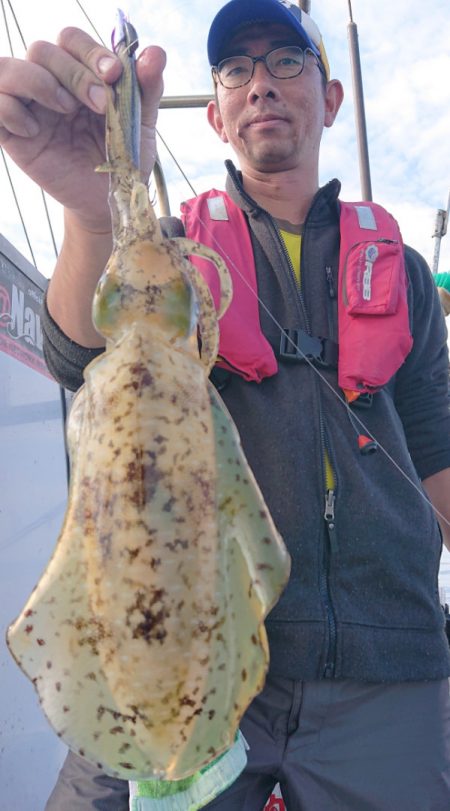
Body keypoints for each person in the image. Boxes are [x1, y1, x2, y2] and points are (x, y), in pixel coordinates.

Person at [1, 0, 450, 808]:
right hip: (201, 644)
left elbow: (437, 455)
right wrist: (91, 213)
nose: (261, 85)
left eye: (286, 60)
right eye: (237, 70)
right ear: (214, 113)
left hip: (388, 663)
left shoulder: (404, 272)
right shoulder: (174, 256)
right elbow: (77, 352)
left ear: (331, 97)